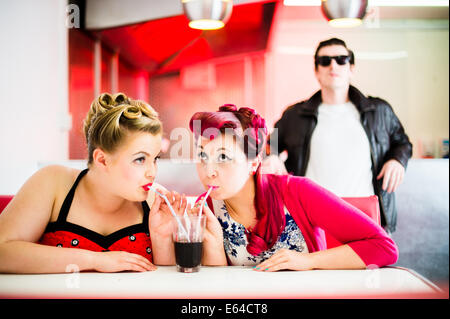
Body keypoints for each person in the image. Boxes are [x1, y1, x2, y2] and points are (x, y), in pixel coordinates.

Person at [188, 104, 398, 271]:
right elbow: (218, 285)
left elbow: (384, 248)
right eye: (202, 155)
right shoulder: (206, 208)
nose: (209, 170)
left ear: (253, 162)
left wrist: (308, 261)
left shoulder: (297, 192)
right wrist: (213, 242)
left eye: (223, 157)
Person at [0, 92, 188, 273]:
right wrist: (94, 260)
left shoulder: (155, 201)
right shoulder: (52, 183)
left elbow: (166, 283)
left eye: (155, 158)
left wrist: (162, 240)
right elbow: (2, 252)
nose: (152, 172)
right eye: (140, 159)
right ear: (102, 160)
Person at [264, 38, 412, 234]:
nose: (333, 65)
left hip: (366, 217)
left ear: (351, 68)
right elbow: (266, 141)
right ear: (317, 71)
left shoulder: (379, 111)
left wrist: (396, 160)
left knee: (369, 265)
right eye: (325, 61)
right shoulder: (295, 115)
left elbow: (402, 143)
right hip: (312, 218)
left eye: (341, 59)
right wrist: (272, 156)